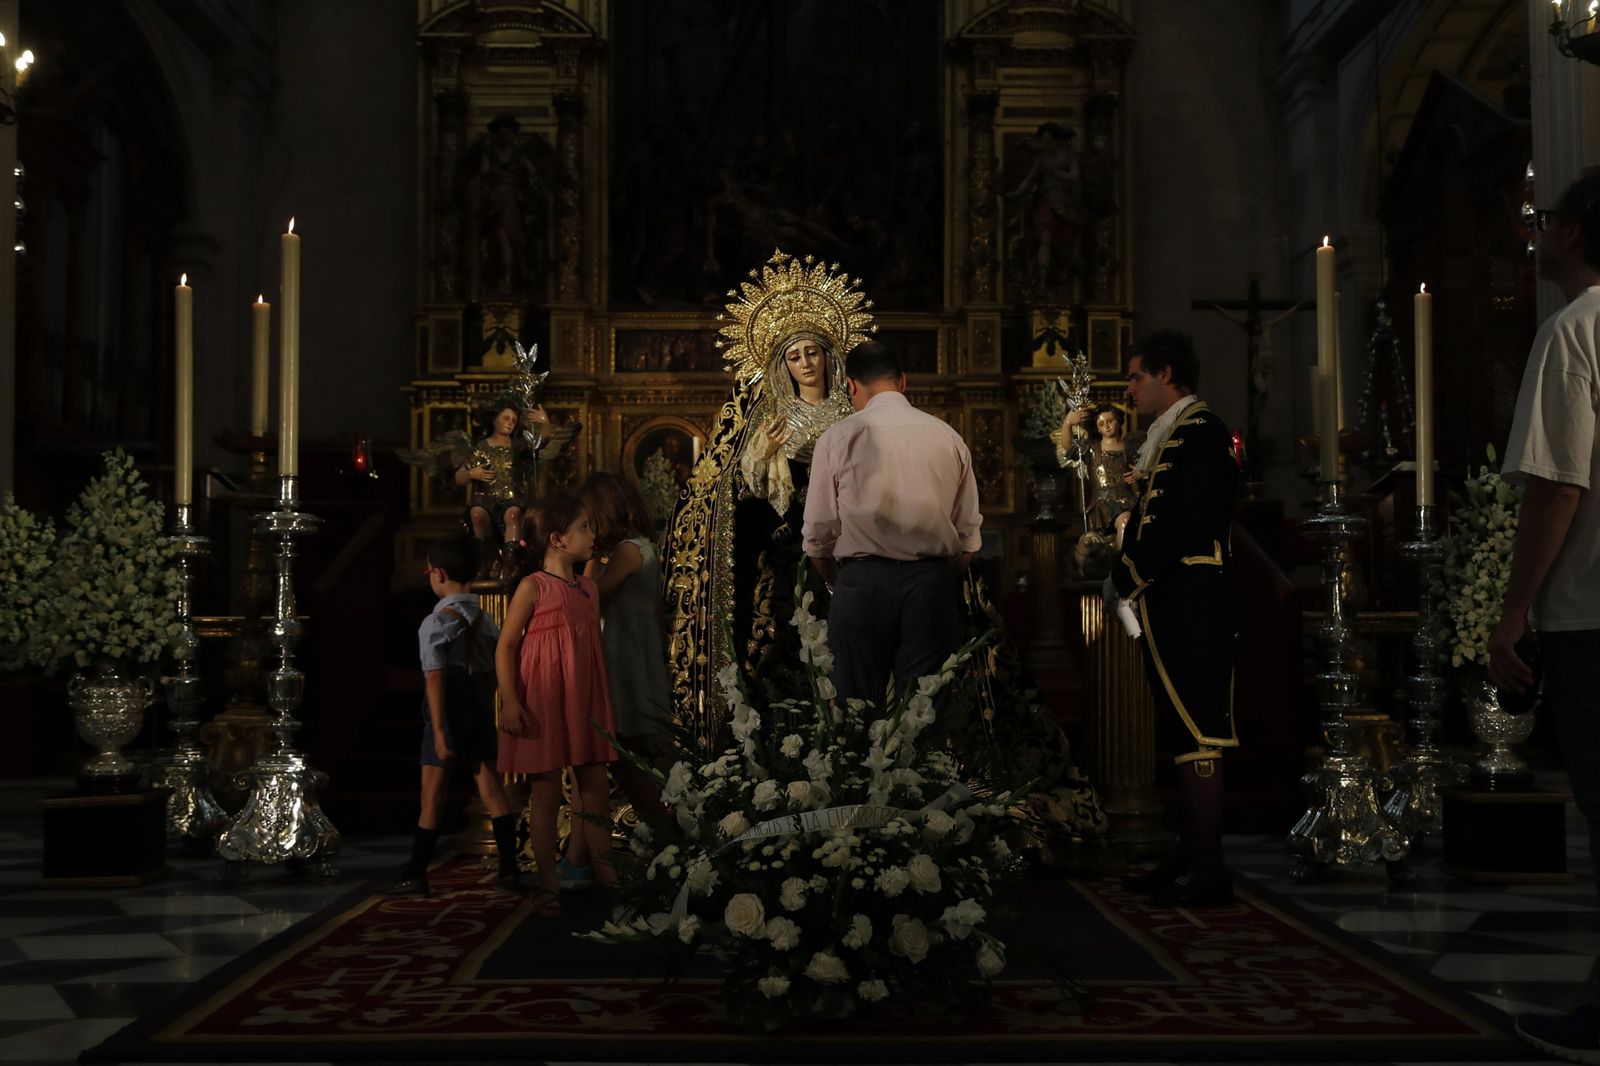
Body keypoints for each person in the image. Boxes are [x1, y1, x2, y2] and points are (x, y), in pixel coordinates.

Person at [660, 250, 870, 744]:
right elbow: (742, 495)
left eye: (812, 352)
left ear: (829, 354)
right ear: (783, 364)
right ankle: (782, 734)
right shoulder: (768, 420)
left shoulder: (854, 414)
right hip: (788, 550)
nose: (805, 363)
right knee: (782, 643)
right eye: (794, 356)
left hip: (848, 544)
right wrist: (767, 453)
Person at [1485, 168, 1600, 1064]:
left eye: (1545, 219)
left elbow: (1558, 485)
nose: (1536, 229)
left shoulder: (1574, 332)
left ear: (1573, 234)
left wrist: (1513, 606)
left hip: (1591, 610)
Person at [1108, 330, 1240, 907]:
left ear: (1166, 375)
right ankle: (1190, 854)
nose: (1130, 387)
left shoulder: (1201, 432)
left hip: (1192, 593)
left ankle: (1209, 863)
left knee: (1198, 725)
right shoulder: (1170, 435)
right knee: (1179, 724)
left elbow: (1185, 519)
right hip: (1170, 595)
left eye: (1136, 376)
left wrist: (1128, 572)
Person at [802, 339, 983, 706]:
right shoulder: (947, 436)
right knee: (922, 713)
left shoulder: (837, 437)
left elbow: (818, 538)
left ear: (851, 385)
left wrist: (842, 584)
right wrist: (935, 579)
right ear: (903, 381)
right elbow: (968, 539)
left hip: (861, 585)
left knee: (855, 712)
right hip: (930, 587)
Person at [495, 494, 620, 914]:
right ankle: (549, 884)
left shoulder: (588, 588)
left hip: (582, 699)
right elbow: (506, 645)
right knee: (547, 795)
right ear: (557, 539)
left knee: (595, 791)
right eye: (583, 527)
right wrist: (510, 702)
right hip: (545, 699)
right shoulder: (533, 586)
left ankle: (611, 883)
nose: (592, 534)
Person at [378, 534, 522, 898]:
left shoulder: (435, 622)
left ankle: (415, 872)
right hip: (478, 702)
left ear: (438, 574)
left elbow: (436, 677)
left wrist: (440, 730)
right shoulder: (484, 618)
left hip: (450, 704)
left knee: (433, 796)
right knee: (491, 787)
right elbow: (490, 673)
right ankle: (509, 869)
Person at [557, 472, 672, 889]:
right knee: (617, 764)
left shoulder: (628, 551)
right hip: (633, 658)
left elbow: (591, 598)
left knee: (626, 764)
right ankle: (577, 861)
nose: (588, 529)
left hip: (623, 664)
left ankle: (671, 843)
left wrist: (583, 564)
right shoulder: (641, 547)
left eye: (589, 521)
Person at [1059, 403, 1142, 534]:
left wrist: (1140, 474)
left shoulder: (1129, 448)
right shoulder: (1092, 448)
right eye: (1102, 424)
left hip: (1129, 501)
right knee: (1125, 520)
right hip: (1104, 503)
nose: (1107, 426)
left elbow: (1142, 468)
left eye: (1110, 421)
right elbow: (1068, 446)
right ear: (1097, 429)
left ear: (1118, 421)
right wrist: (1068, 422)